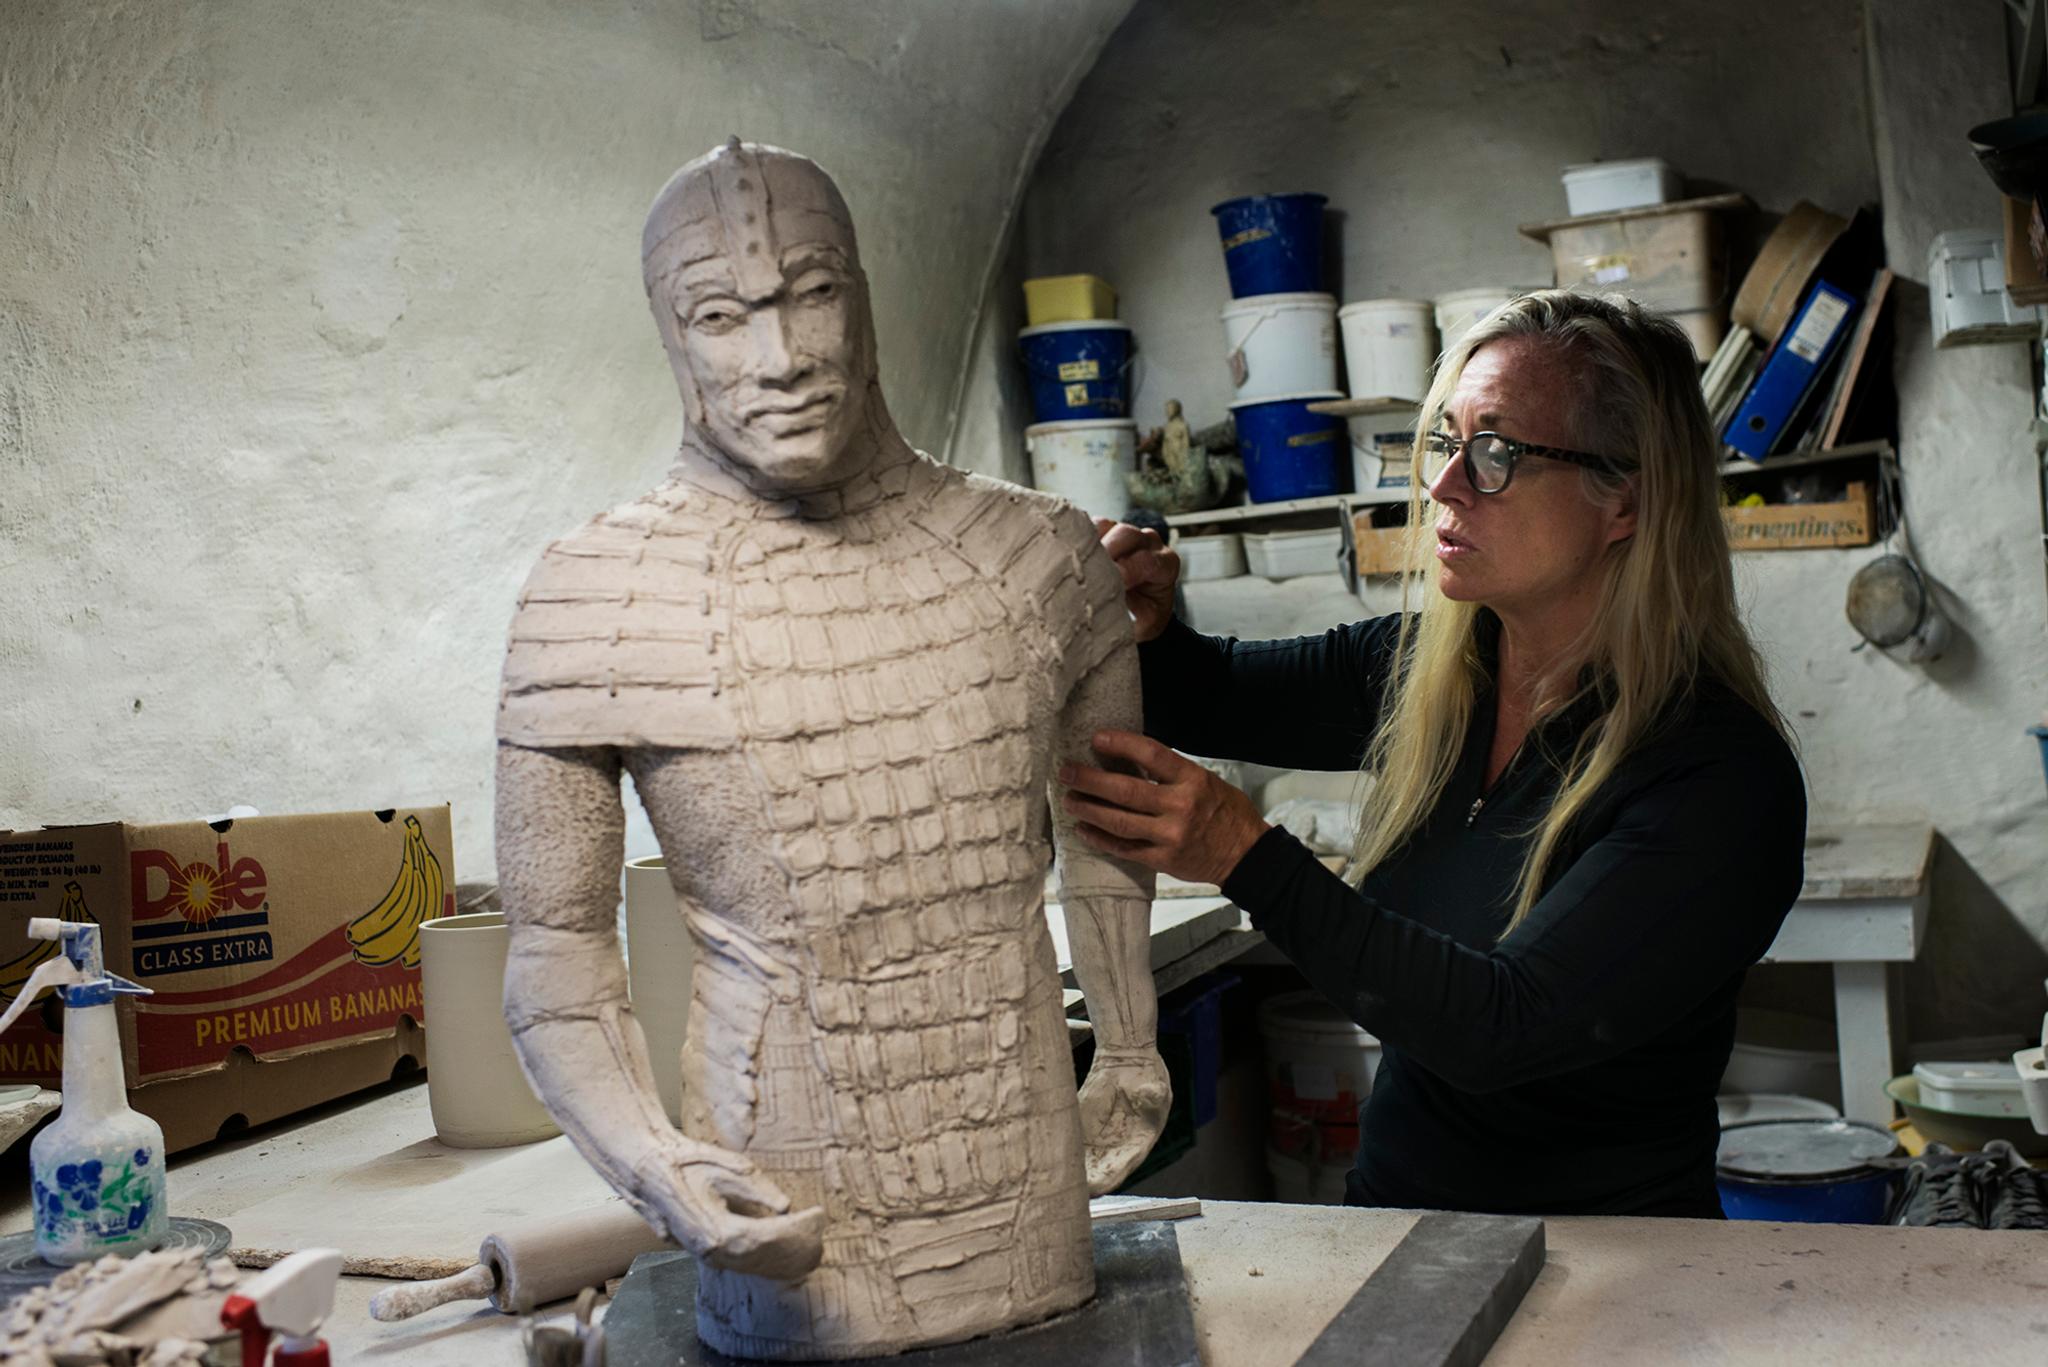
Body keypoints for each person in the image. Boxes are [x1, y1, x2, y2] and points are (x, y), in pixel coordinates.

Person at [494, 140, 1167, 1358]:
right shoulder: (594, 597)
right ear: (671, 333)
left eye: (811, 293)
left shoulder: (1039, 558)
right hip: (781, 1181)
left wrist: (1126, 1043)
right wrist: (655, 1164)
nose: (782, 356)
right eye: (721, 314)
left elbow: (1105, 838)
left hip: (1021, 1148)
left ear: (859, 294)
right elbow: (553, 951)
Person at [1062, 290, 1807, 1218]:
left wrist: (1242, 853)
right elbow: (1209, 694)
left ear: (1626, 496)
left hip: (1617, 1270)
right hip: (1400, 1225)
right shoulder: (1434, 669)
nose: (1444, 486)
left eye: (1497, 452)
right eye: (1445, 444)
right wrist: (1146, 627)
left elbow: (1501, 1026)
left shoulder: (1719, 777)